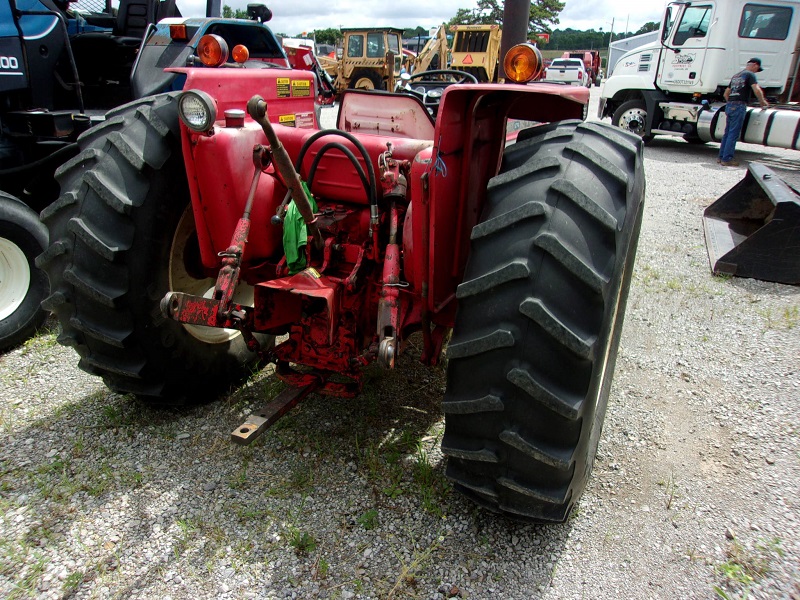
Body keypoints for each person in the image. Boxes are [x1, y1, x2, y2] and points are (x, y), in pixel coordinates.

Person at [718, 58, 769, 166]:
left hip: (730, 104)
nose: (756, 72)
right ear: (755, 65)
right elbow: (756, 89)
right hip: (739, 105)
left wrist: (731, 102)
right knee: (733, 133)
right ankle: (727, 159)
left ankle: (721, 157)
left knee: (727, 133)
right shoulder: (750, 75)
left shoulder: (736, 76)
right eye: (757, 69)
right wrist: (762, 102)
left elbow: (726, 93)